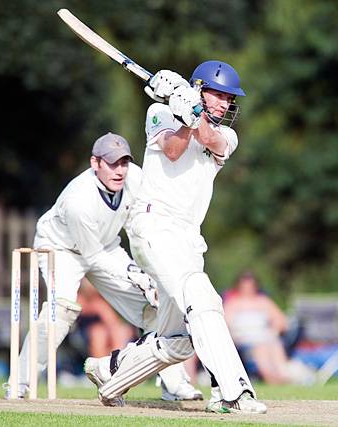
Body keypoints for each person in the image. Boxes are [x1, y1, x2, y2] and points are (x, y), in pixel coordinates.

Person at [86, 61, 267, 414]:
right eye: (216, 95)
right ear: (199, 88)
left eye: (228, 99)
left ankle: (109, 375)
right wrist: (183, 113)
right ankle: (233, 393)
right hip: (154, 226)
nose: (223, 104)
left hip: (188, 237)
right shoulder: (160, 111)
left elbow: (212, 139)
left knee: (179, 342)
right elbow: (171, 149)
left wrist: (193, 111)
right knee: (202, 297)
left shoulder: (227, 135)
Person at [3, 132, 202, 404]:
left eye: (123, 163)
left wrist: (150, 273)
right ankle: (20, 383)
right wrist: (133, 274)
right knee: (60, 311)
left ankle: (174, 384)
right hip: (61, 249)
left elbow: (143, 225)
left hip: (107, 246)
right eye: (112, 164)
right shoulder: (78, 200)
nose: (119, 171)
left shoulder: (135, 178)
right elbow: (92, 256)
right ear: (95, 163)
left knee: (154, 309)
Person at [224, 271, 315, 385]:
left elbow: (282, 321)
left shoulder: (263, 301)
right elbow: (225, 325)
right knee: (262, 347)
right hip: (243, 338)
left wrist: (275, 329)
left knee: (274, 344)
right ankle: (272, 377)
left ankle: (283, 375)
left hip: (265, 336)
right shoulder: (232, 303)